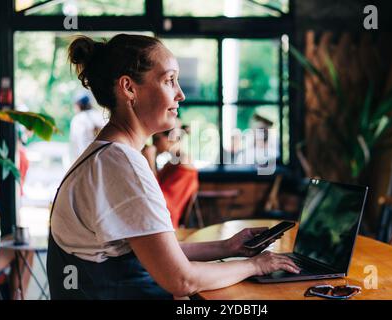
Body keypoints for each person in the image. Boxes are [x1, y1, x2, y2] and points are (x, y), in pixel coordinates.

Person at [47, 34, 300, 300]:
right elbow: (181, 280)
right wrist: (256, 265)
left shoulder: (105, 155)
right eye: (169, 80)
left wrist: (228, 247)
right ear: (129, 88)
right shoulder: (122, 165)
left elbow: (155, 253)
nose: (180, 93)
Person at [142, 122, 199, 229]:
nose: (154, 144)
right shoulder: (172, 163)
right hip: (155, 218)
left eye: (156, 139)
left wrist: (149, 163)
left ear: (171, 138)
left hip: (163, 223)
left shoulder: (184, 166)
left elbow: (160, 200)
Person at [69, 93, 106, 161]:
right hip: (103, 157)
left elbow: (75, 144)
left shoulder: (78, 119)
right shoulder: (100, 116)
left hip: (84, 159)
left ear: (79, 104)